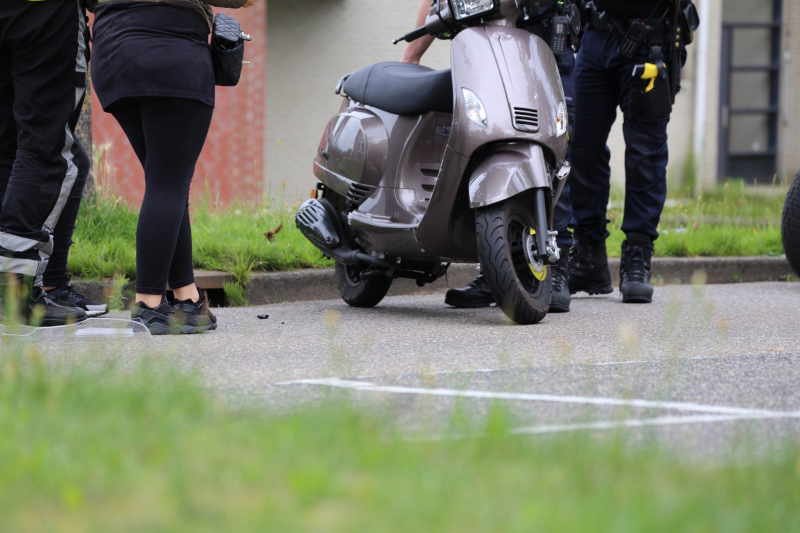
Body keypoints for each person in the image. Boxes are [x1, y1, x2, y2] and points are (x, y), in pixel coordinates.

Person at [90, 0, 259, 334]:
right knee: (168, 183)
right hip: (169, 47)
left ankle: (187, 297)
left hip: (112, 53)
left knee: (167, 181)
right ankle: (149, 304)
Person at [401, 0, 580, 312]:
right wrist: (412, 54)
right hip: (489, 50)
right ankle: (496, 268)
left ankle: (557, 265)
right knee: (487, 144)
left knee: (550, 151)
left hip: (543, 45)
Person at [568, 0, 694, 303]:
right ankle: (589, 256)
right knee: (580, 146)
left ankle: (638, 255)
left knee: (645, 154)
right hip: (595, 33)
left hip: (651, 35)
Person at [0, 0, 91, 326]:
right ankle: (15, 292)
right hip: (46, 12)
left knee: (7, 148)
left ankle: (15, 287)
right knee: (47, 149)